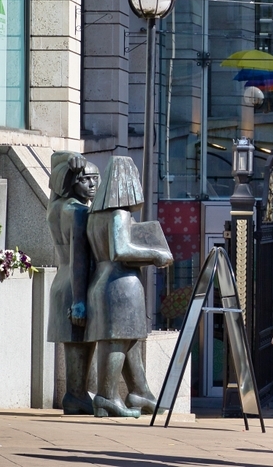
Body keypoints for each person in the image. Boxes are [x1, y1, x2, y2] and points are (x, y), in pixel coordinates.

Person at [85, 156, 174, 417]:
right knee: (116, 342)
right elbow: (121, 249)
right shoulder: (119, 213)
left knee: (129, 340)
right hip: (121, 283)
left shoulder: (94, 216)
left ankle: (140, 392)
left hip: (103, 280)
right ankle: (106, 396)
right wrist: (155, 255)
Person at [46, 151, 100, 414]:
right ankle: (76, 394)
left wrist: (69, 159)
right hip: (76, 283)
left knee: (76, 342)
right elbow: (80, 256)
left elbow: (55, 162)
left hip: (61, 280)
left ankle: (76, 393)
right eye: (85, 180)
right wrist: (80, 300)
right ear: (71, 183)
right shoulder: (78, 212)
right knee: (80, 340)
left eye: (96, 179)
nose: (93, 186)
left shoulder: (55, 206)